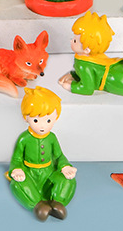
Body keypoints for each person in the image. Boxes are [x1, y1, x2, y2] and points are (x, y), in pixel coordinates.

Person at [7, 86, 77, 221]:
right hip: (30, 173)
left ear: (56, 118)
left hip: (48, 172)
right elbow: (16, 159)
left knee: (68, 179)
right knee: (17, 184)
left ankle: (57, 202)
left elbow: (59, 156)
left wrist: (65, 166)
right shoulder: (24, 139)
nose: (42, 126)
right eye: (36, 120)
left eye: (48, 120)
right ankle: (38, 205)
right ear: (25, 118)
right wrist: (17, 169)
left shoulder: (52, 138)